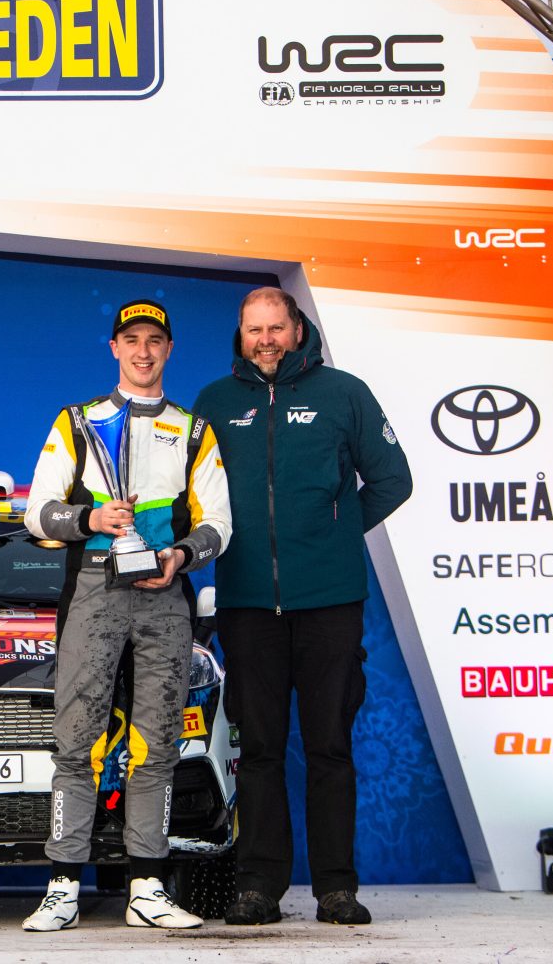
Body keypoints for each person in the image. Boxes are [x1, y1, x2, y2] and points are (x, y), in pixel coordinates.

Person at [192, 286, 412, 927]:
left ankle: (336, 888)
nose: (265, 340)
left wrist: (335, 534)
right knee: (258, 751)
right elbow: (191, 495)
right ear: (240, 336)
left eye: (275, 328)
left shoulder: (344, 393)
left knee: (329, 747)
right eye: (253, 329)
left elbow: (393, 479)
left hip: (330, 602)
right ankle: (258, 888)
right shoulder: (214, 402)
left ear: (298, 330)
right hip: (247, 603)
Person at [20, 299, 232, 932]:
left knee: (157, 743)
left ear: (168, 350)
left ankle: (147, 885)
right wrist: (91, 518)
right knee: (76, 741)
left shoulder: (193, 430)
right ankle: (62, 885)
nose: (143, 351)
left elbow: (220, 524)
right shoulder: (76, 421)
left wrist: (181, 555)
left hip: (164, 592)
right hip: (94, 587)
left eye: (154, 341)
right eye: (132, 340)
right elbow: (36, 513)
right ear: (114, 347)